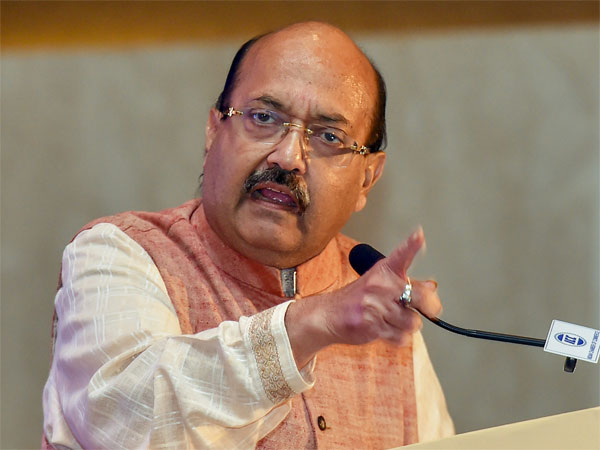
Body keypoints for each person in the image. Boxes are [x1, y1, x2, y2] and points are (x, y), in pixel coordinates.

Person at [42, 21, 454, 449]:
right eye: (263, 117)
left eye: (329, 136)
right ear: (213, 130)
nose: (288, 156)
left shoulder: (379, 306)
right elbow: (127, 423)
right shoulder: (118, 253)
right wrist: (313, 324)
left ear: (367, 178)